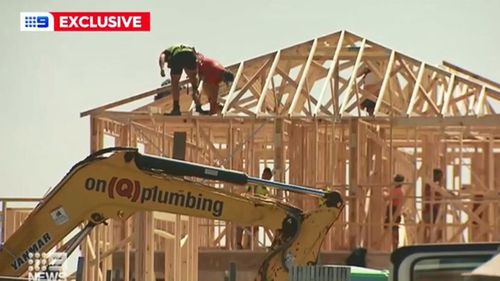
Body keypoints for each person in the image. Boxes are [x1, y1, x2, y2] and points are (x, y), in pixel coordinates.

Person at [158, 45, 208, 115]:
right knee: (194, 85)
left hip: (178, 56)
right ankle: (198, 107)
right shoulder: (186, 47)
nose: (168, 66)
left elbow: (162, 57)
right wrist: (192, 73)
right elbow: (197, 58)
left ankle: (176, 109)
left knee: (175, 84)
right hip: (190, 55)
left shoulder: (167, 51)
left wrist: (162, 69)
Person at [236, 168, 272, 249]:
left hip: (256, 211)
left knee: (253, 228)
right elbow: (246, 191)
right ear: (263, 175)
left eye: (268, 177)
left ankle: (248, 245)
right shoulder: (255, 184)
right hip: (248, 207)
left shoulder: (266, 190)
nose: (266, 178)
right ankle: (238, 244)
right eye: (265, 175)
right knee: (240, 226)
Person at [383, 174, 405, 249]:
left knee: (391, 229)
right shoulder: (400, 190)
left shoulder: (397, 191)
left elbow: (387, 197)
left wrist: (382, 191)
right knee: (394, 229)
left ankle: (393, 247)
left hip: (393, 211)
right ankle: (394, 246)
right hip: (395, 211)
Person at [423, 168, 443, 242]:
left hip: (434, 210)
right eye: (440, 176)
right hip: (430, 210)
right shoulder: (430, 185)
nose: (441, 178)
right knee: (431, 230)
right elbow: (429, 197)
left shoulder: (435, 186)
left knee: (435, 230)